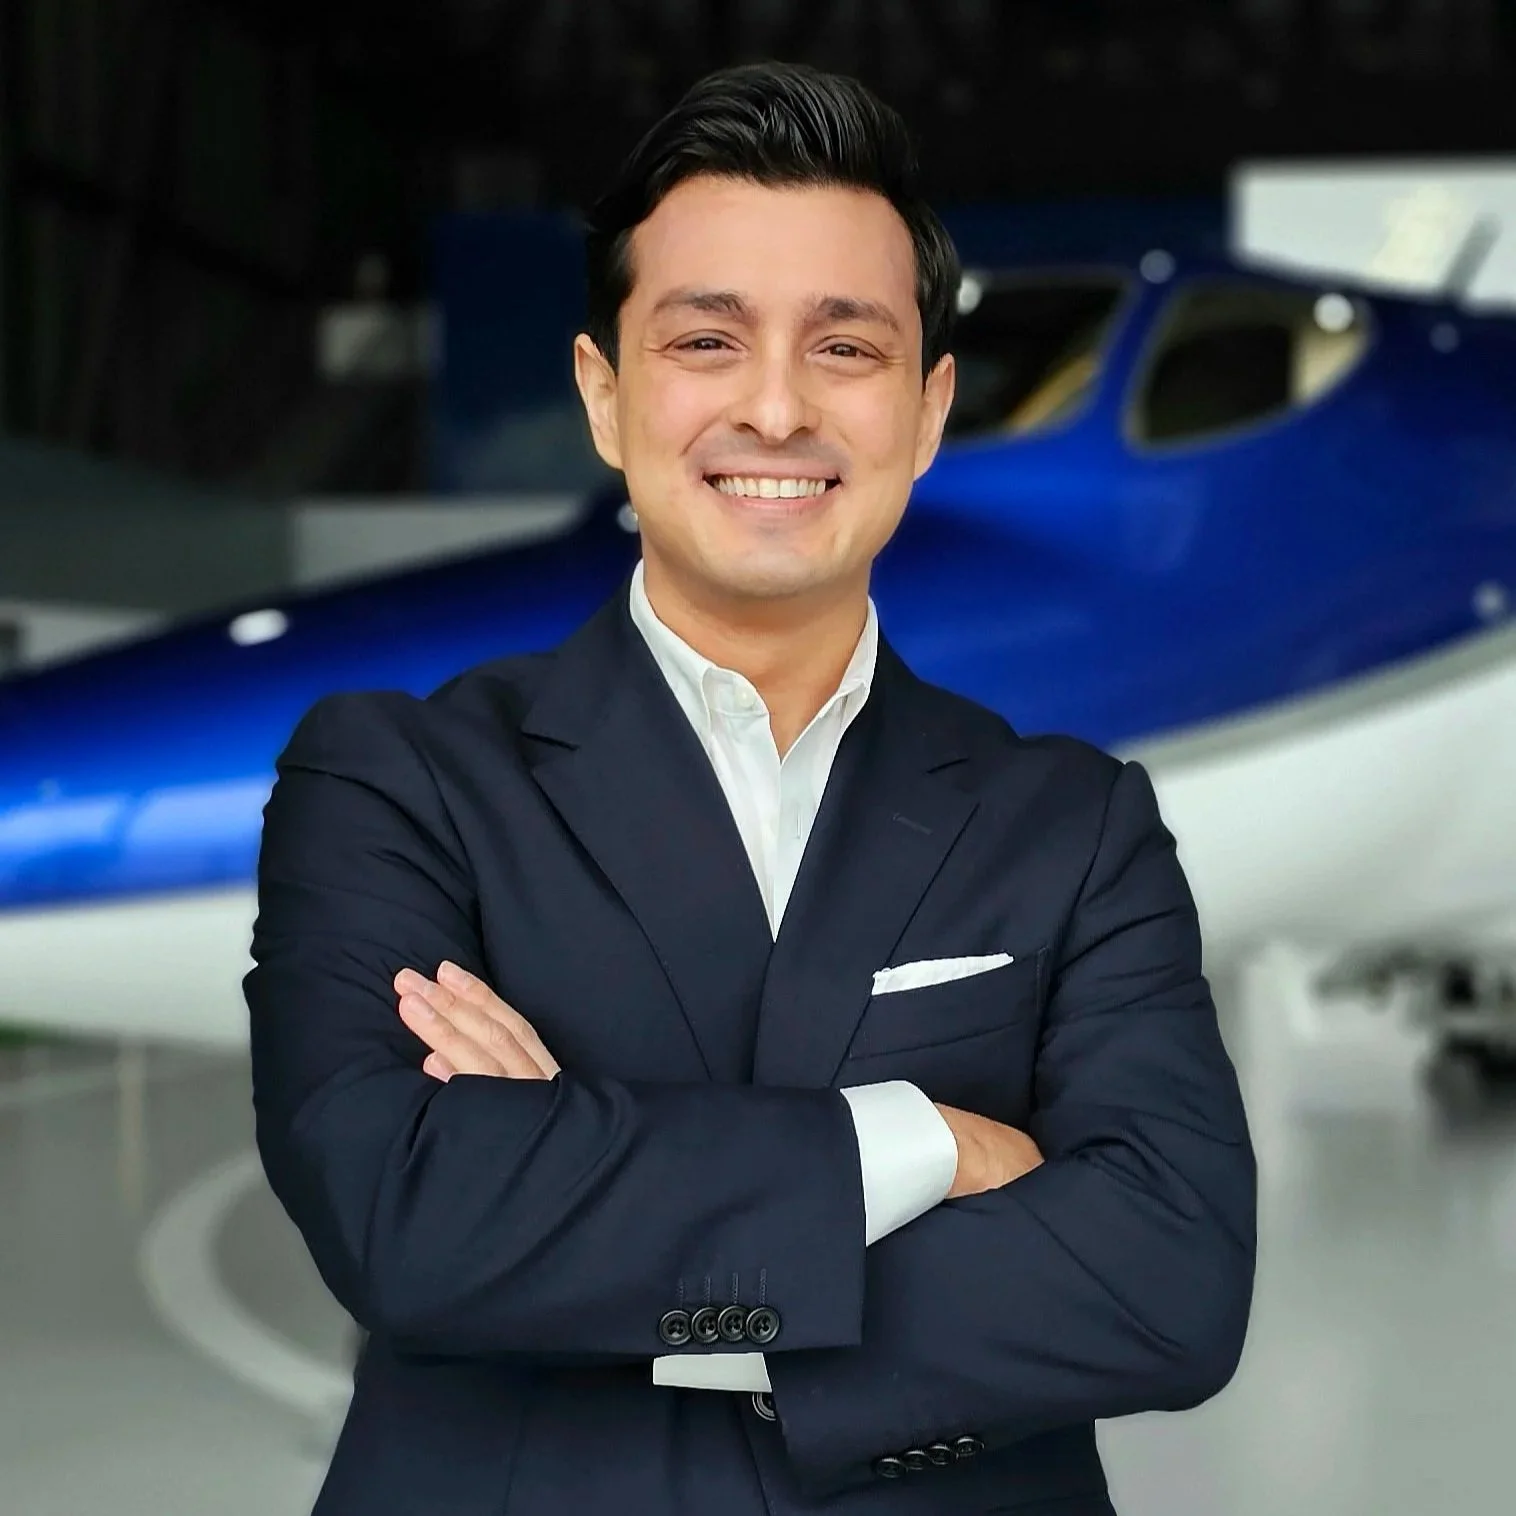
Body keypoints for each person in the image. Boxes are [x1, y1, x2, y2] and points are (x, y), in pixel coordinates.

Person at [245, 61, 1256, 1516]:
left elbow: (1172, 1285)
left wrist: (584, 1196)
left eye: (845, 349)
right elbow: (410, 1217)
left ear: (926, 409)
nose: (775, 409)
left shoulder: (1076, 824)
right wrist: (929, 1144)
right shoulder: (397, 780)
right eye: (707, 340)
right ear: (606, 396)